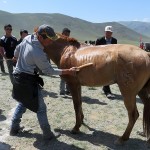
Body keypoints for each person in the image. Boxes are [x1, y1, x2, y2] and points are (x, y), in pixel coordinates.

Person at [10, 24, 78, 140]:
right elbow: (49, 71)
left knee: (23, 102)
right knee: (41, 109)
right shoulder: (37, 52)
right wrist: (68, 71)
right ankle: (47, 134)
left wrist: (18, 59)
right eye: (49, 40)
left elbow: (16, 51)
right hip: (27, 81)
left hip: (17, 77)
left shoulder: (27, 38)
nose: (51, 43)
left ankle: (14, 128)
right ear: (41, 37)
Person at [96, 25, 117, 99]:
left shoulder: (114, 40)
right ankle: (107, 91)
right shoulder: (99, 40)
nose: (108, 34)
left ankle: (105, 88)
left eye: (110, 32)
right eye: (107, 32)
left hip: (111, 60)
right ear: (105, 32)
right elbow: (96, 51)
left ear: (112, 33)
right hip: (101, 60)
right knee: (106, 74)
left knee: (109, 74)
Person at [59, 28, 71, 95]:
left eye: (68, 35)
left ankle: (68, 90)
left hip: (68, 61)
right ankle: (62, 91)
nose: (67, 36)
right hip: (61, 61)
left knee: (69, 76)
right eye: (66, 34)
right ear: (62, 33)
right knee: (63, 76)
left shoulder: (69, 41)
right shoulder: (59, 41)